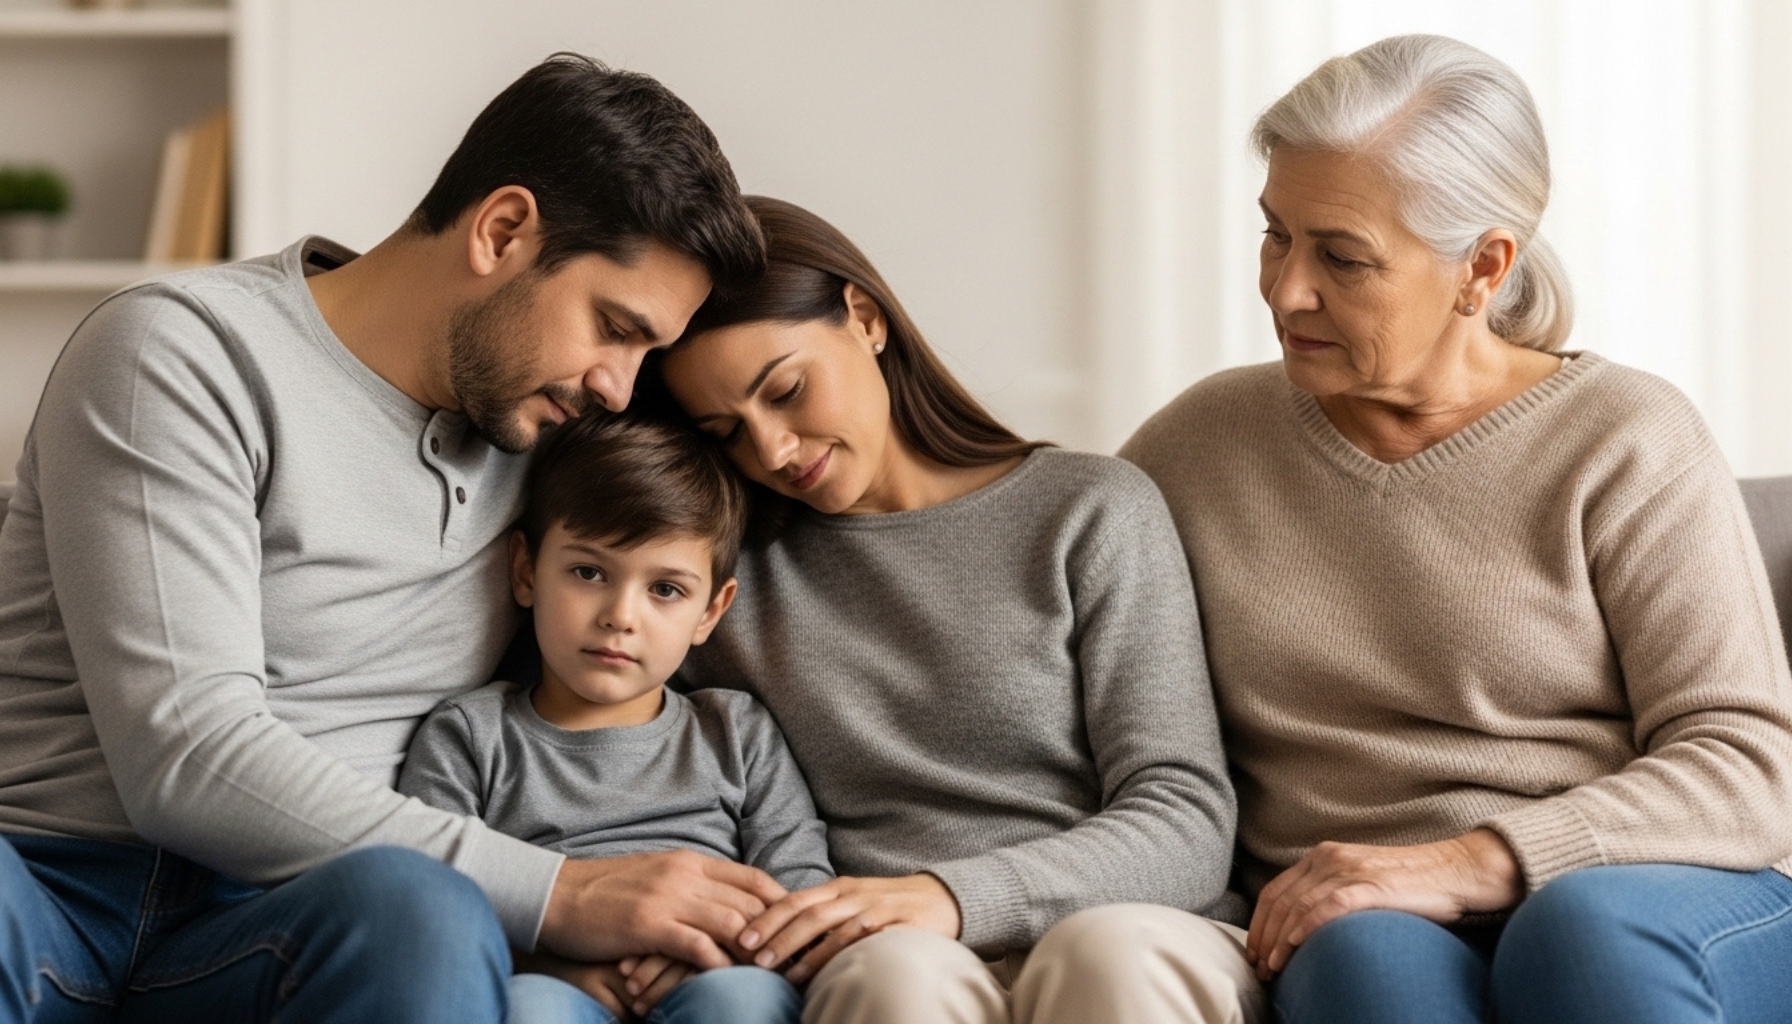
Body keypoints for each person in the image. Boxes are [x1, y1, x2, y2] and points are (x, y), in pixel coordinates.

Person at [0, 54, 778, 1024]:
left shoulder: (551, 441)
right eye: (613, 327)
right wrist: (562, 895)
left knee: (419, 908)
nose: (620, 386)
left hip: (299, 919)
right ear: (502, 230)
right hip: (56, 889)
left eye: (646, 352)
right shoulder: (184, 353)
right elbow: (185, 755)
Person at [1121, 33, 1792, 1024]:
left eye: (1342, 257)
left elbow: (1746, 765)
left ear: (1482, 267)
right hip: (1358, 907)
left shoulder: (1623, 437)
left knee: (1578, 930)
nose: (1284, 288)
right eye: (1275, 234)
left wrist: (1473, 863)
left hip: (1647, 888)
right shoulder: (1195, 448)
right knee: (1358, 960)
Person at [657, 196, 1262, 1024]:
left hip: (1131, 930)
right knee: (895, 981)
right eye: (725, 431)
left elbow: (1187, 818)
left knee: (1100, 956)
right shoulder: (721, 584)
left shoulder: (1088, 510)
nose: (771, 450)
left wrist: (953, 894)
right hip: (892, 958)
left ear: (864, 318)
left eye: (788, 390)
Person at [399, 412, 831, 1024]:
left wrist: (722, 953)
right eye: (589, 572)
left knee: (745, 1003)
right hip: (551, 981)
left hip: (719, 974)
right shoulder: (469, 736)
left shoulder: (736, 733)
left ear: (711, 610)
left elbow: (798, 886)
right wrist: (554, 967)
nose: (620, 616)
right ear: (526, 571)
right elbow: (437, 905)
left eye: (666, 590)